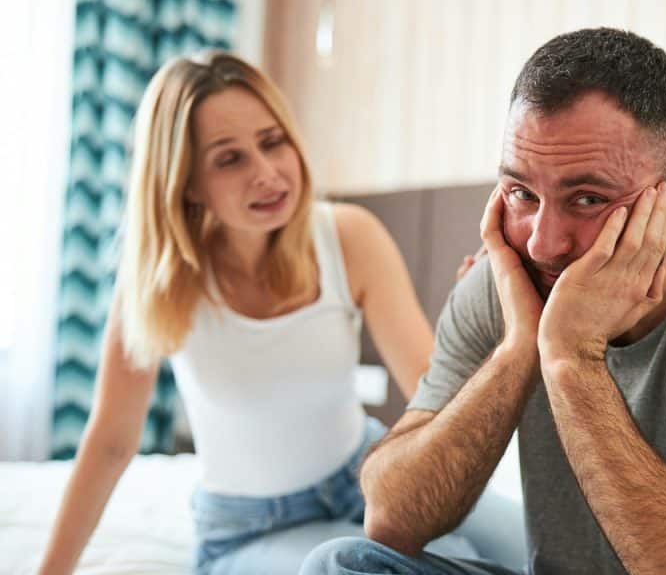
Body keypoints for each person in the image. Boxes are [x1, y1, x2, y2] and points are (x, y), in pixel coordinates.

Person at [301, 28, 666, 575]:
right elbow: (393, 518)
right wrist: (520, 347)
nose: (543, 242)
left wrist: (570, 357)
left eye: (588, 199)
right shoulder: (508, 284)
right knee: (343, 565)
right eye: (522, 193)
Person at [39, 52, 466, 574]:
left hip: (369, 474)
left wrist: (481, 332)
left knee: (532, 552)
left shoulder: (348, 237)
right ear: (187, 183)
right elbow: (110, 443)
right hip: (250, 529)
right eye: (229, 159)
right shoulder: (159, 284)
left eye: (272, 142)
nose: (267, 174)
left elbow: (434, 395)